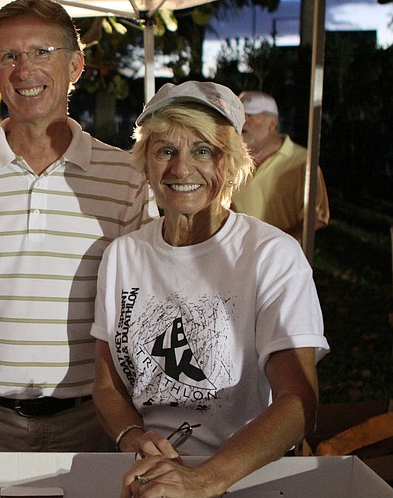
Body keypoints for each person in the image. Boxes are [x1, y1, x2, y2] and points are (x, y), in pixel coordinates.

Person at [0, 0, 156, 453]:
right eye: (9, 56)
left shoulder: (126, 176)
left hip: (94, 423)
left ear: (75, 66)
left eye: (42, 52)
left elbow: (139, 310)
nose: (25, 69)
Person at [92, 81, 329, 497]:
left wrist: (203, 480)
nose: (181, 169)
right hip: (151, 478)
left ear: (233, 162)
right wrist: (131, 436)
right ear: (145, 163)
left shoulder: (271, 255)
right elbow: (107, 384)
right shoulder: (122, 256)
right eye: (165, 150)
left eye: (203, 151)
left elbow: (298, 404)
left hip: (247, 476)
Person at [231, 90, 330, 242]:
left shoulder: (303, 162)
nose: (242, 120)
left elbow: (316, 217)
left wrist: (277, 247)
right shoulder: (229, 159)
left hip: (281, 256)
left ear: (273, 122)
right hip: (235, 254)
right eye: (238, 115)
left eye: (250, 115)